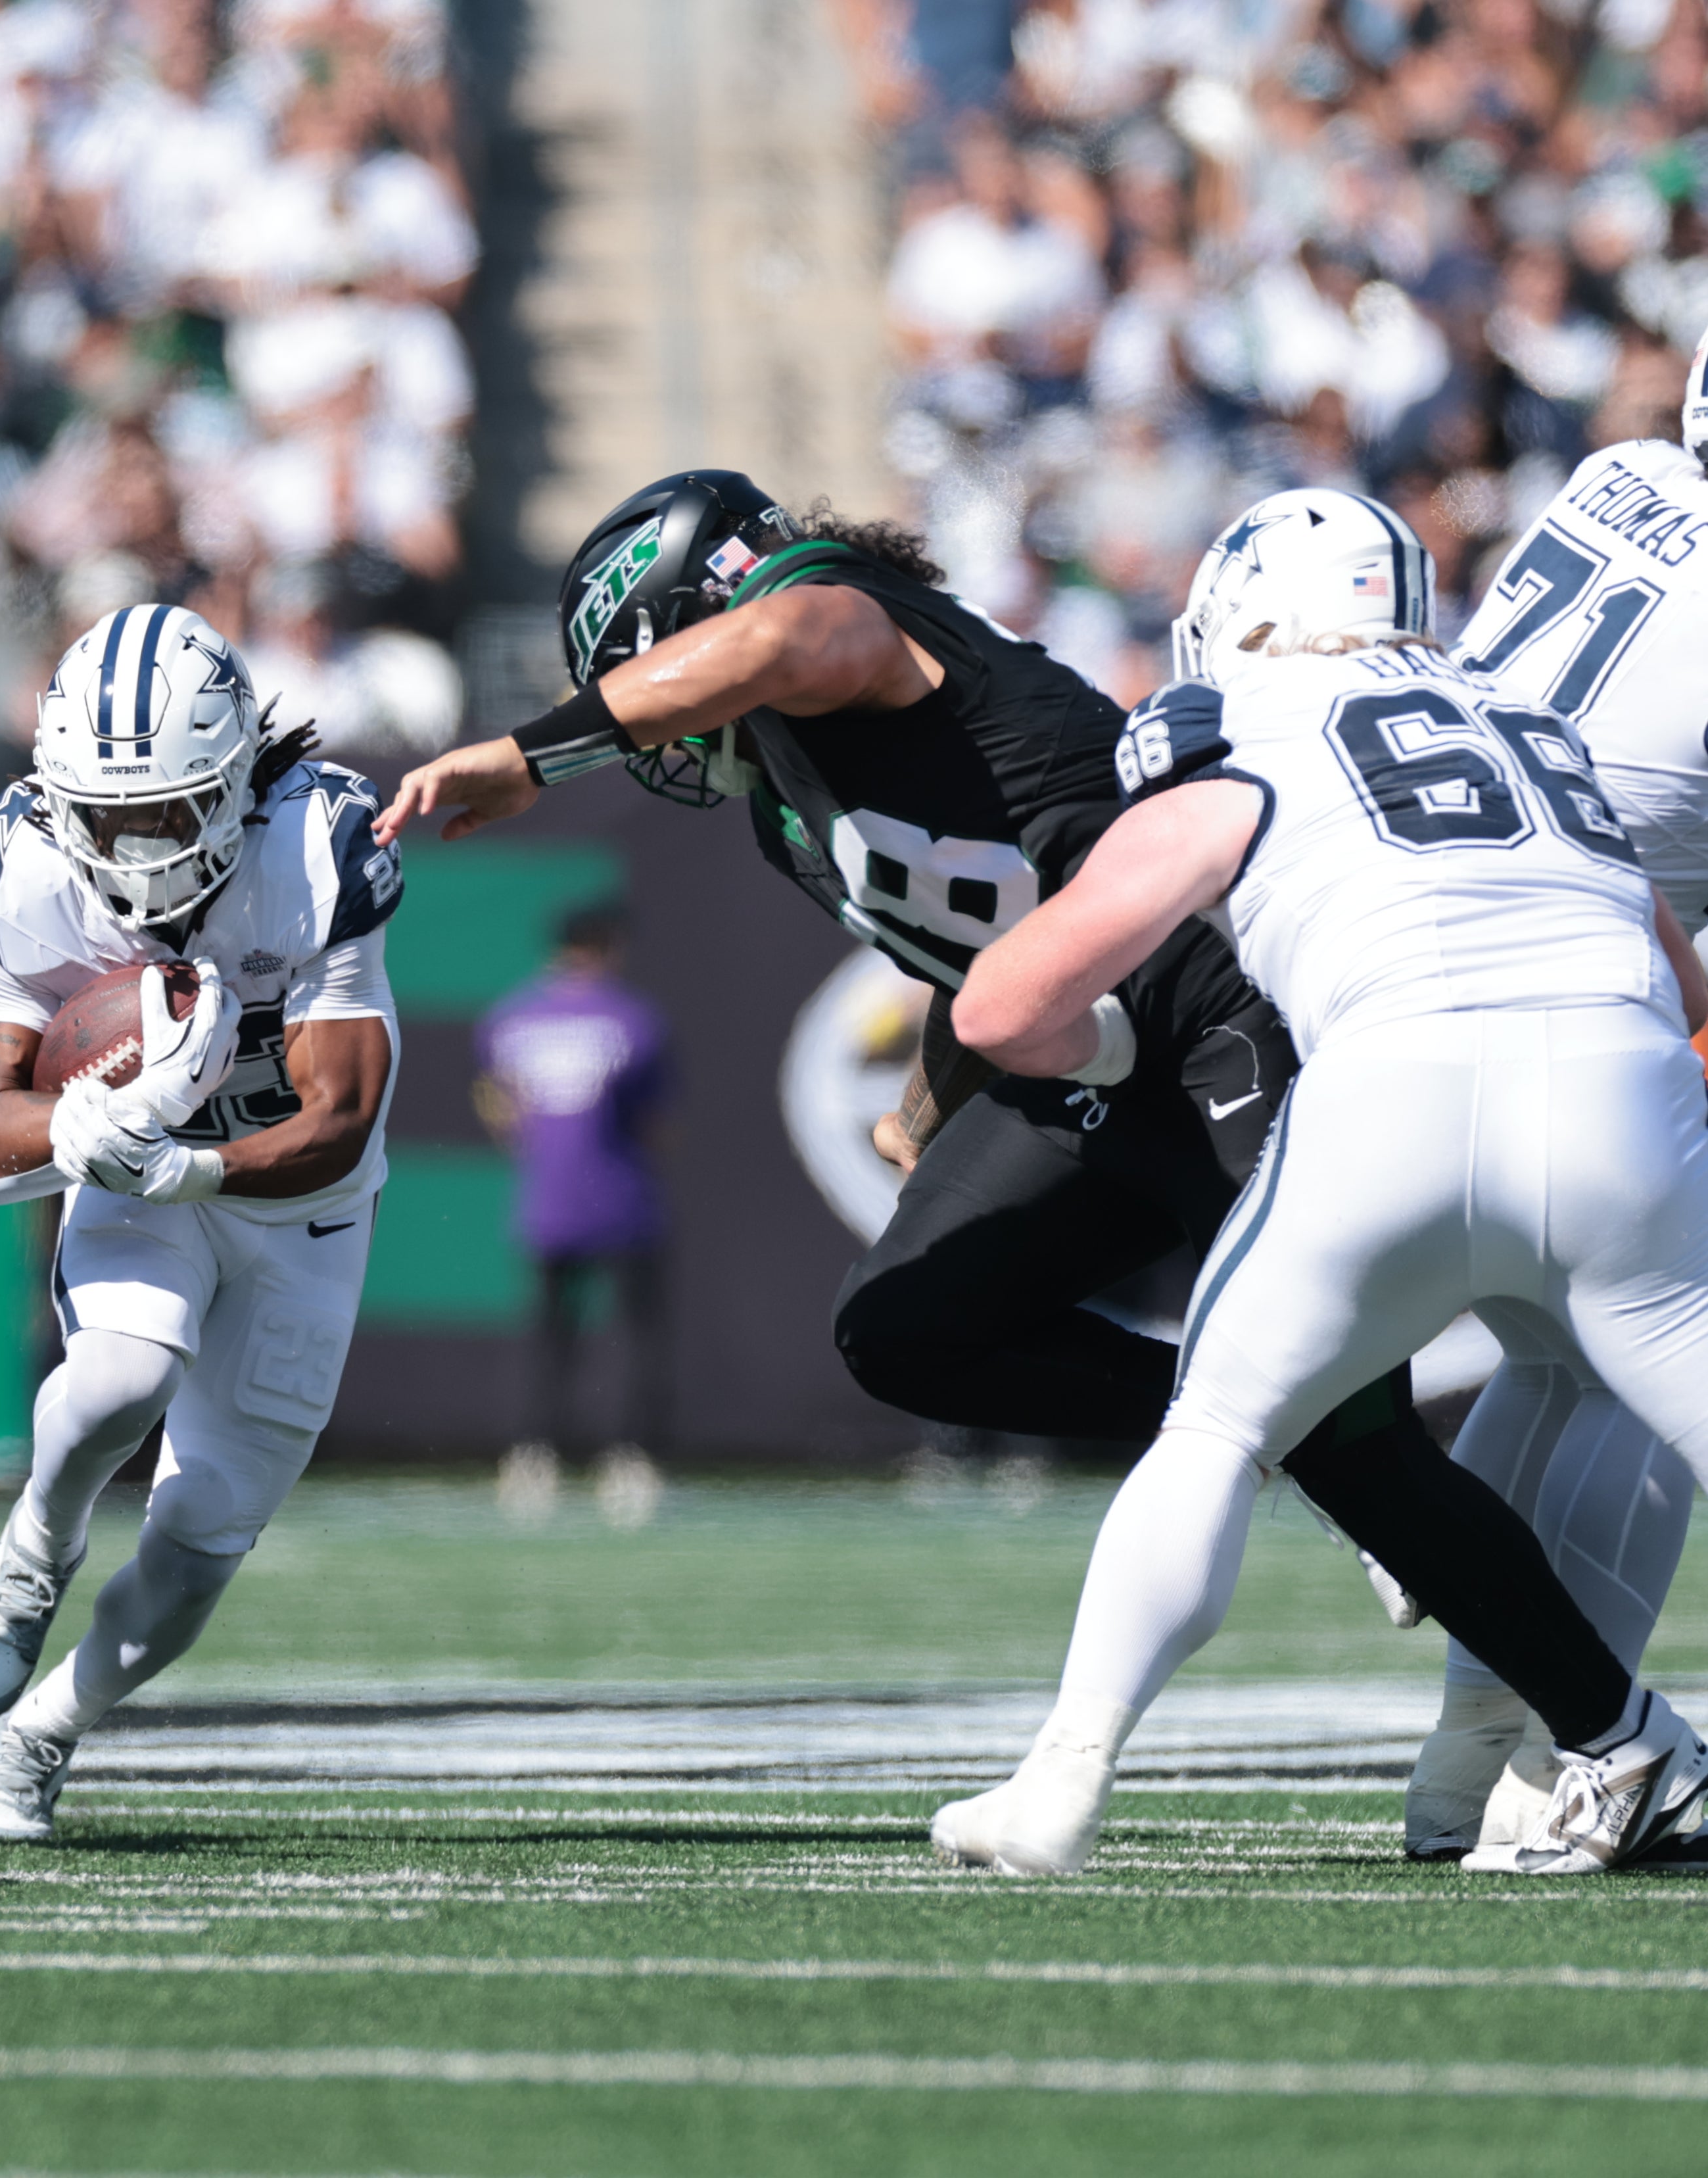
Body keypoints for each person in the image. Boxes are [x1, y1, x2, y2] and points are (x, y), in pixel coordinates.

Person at [371, 468, 1658, 1822]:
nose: (656, 731)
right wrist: (925, 1112)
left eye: (646, 680)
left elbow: (781, 639)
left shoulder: (842, 619)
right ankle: (1263, 1434)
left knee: (1357, 1440)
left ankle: (1622, 1741)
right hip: (1088, 1051)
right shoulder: (785, 802)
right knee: (911, 1327)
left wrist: (529, 753)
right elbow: (975, 945)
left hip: (1208, 1006)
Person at [934, 487, 1708, 1877]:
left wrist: (1094, 1046)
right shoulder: (1538, 735)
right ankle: (1511, 1756)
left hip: (1396, 1084)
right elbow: (1678, 975)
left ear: (1250, 612)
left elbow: (1002, 1008)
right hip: (1620, 1083)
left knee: (1219, 1427)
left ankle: (1064, 1778)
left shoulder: (1235, 733)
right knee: (1613, 1393)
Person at [0, 603, 400, 1843]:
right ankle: (33, 1548)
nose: (137, 849)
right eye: (108, 816)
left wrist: (182, 1166)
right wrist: (70, 1130)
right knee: (115, 1377)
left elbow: (339, 1114)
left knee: (200, 1536)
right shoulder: (18, 868)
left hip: (300, 1208)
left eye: (167, 810)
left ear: (236, 779)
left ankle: (40, 1735)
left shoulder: (316, 841)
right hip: (139, 1179)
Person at [1394, 329, 1708, 1856]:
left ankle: (1472, 1751)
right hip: (1570, 999)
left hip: (1415, 948)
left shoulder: (1617, 477)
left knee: (1553, 1360)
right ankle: (1568, 1769)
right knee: (1657, 1368)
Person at [475, 894, 673, 1463]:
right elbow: (659, 1124)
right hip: (623, 1198)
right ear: (608, 946)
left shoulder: (508, 1017)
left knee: (548, 1337)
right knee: (635, 1336)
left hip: (547, 1201)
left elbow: (498, 1108)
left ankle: (533, 1453)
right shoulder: (632, 1018)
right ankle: (633, 1456)